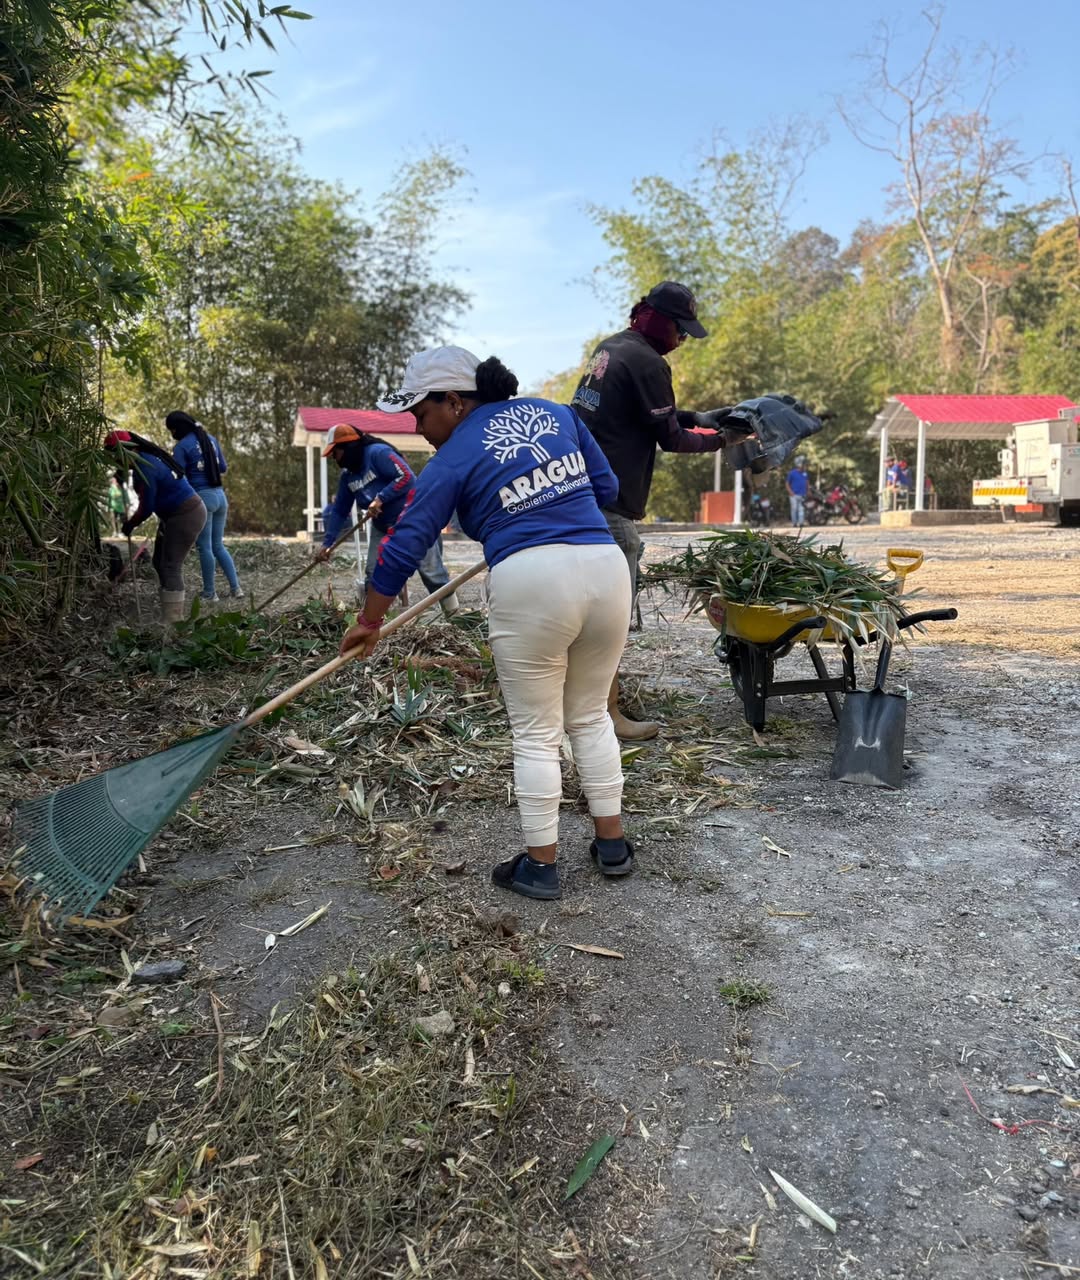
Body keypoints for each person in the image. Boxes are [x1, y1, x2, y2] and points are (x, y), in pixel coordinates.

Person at [338, 345, 633, 902]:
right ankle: (612, 845)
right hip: (604, 567)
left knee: (537, 732)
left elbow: (405, 543)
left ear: (454, 401)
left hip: (532, 582)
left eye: (421, 413)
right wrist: (546, 500)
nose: (418, 428)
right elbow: (608, 489)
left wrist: (369, 620)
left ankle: (541, 867)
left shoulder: (451, 458)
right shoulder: (559, 414)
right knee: (591, 714)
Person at [570, 280, 731, 741]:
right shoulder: (648, 362)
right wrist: (722, 440)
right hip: (612, 507)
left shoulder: (611, 349)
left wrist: (698, 417)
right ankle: (606, 716)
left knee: (584, 615)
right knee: (610, 621)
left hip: (580, 496)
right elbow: (670, 439)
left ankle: (579, 706)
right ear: (659, 321)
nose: (681, 340)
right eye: (680, 330)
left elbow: (642, 414)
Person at [315, 423, 458, 616]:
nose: (334, 458)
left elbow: (406, 477)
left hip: (414, 519)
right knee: (374, 573)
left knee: (433, 574)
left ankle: (455, 617)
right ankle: (375, 621)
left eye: (335, 452)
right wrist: (328, 543)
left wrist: (381, 498)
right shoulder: (348, 476)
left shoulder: (378, 453)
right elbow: (340, 511)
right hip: (382, 526)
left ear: (349, 447)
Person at [104, 430, 206, 622]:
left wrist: (130, 524)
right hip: (172, 516)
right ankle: (167, 608)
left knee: (170, 565)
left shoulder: (146, 467)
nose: (114, 461)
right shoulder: (142, 461)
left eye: (115, 456)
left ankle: (174, 621)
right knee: (159, 561)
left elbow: (147, 506)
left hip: (185, 515)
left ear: (130, 449)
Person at [165, 411, 243, 603]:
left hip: (202, 499)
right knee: (218, 545)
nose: (172, 434)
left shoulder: (182, 447)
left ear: (177, 428)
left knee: (204, 547)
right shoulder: (211, 439)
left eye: (171, 430)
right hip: (220, 496)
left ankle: (210, 593)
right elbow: (222, 467)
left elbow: (178, 476)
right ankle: (236, 588)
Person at [786, 455, 809, 525]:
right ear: (799, 464)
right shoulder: (792, 473)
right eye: (803, 463)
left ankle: (801, 523)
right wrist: (790, 492)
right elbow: (787, 484)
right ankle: (794, 523)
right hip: (794, 495)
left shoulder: (805, 473)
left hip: (802, 494)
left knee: (801, 509)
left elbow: (807, 483)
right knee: (794, 509)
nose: (804, 465)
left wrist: (808, 491)